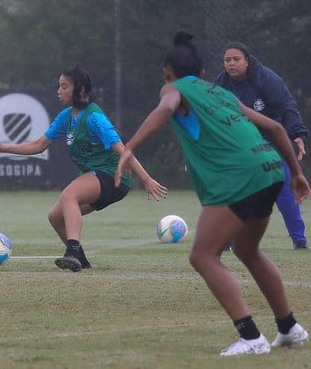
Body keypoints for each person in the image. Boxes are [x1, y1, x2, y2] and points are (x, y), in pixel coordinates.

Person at [115, 30, 309, 356]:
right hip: (271, 168)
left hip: (240, 177)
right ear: (204, 73)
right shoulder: (222, 93)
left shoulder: (174, 88)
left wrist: (130, 146)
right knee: (248, 250)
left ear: (167, 72)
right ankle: (289, 328)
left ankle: (251, 337)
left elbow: (166, 106)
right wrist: (298, 174)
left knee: (202, 256)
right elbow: (276, 129)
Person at [0, 64, 167, 272]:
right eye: (59, 86)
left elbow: (123, 149)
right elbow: (39, 145)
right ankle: (81, 260)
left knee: (68, 196)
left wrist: (146, 179)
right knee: (55, 217)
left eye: (64, 86)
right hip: (96, 178)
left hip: (112, 177)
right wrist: (4, 148)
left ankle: (71, 251)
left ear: (80, 90)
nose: (59, 91)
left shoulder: (94, 118)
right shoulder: (66, 117)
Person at [214, 42, 308, 250]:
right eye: (227, 60)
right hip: (239, 147)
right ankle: (227, 240)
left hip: (270, 144)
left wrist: (297, 134)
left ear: (247, 61)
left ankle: (299, 240)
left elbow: (287, 106)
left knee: (283, 191)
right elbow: (208, 117)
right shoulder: (220, 84)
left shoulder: (267, 79)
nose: (231, 64)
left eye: (236, 59)